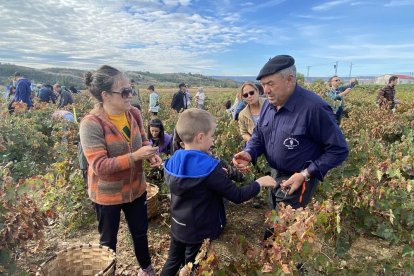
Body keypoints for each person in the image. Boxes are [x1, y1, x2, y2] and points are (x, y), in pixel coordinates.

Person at [160, 108, 276, 276]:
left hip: (178, 224)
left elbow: (190, 183)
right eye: (211, 136)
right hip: (199, 229)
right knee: (193, 266)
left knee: (172, 260)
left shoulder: (172, 160)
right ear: (200, 137)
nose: (213, 140)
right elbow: (237, 196)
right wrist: (259, 183)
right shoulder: (210, 167)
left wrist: (218, 174)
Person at [233, 55, 349, 211]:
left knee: (285, 225)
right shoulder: (269, 104)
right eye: (262, 84)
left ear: (290, 79)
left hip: (297, 180)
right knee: (274, 213)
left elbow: (339, 150)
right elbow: (259, 135)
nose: (265, 90)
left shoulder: (314, 108)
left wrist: (306, 174)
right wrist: (249, 152)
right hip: (274, 173)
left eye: (270, 84)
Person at [79, 65, 162, 276]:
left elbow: (142, 139)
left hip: (136, 188)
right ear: (105, 95)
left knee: (140, 232)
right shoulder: (91, 124)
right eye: (124, 92)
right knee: (108, 240)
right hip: (107, 195)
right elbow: (100, 167)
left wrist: (150, 153)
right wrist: (135, 157)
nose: (130, 95)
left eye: (130, 89)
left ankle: (147, 269)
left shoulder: (133, 113)